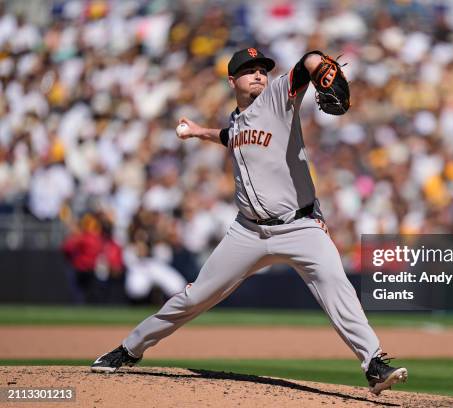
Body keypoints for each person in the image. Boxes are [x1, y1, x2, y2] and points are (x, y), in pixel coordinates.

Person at [90, 48, 407, 394]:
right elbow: (230, 136)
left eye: (262, 69)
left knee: (335, 284)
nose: (258, 74)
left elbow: (305, 65)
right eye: (249, 70)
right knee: (194, 297)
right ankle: (129, 349)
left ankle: (373, 363)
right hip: (248, 231)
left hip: (299, 225)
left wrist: (317, 63)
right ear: (232, 81)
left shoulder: (276, 98)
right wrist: (199, 132)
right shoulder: (238, 120)